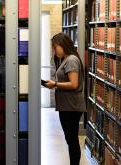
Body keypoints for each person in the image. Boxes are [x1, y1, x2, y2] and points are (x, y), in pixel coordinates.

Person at [45, 32, 86, 165]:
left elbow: (73, 84)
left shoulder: (71, 60)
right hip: (67, 106)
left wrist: (55, 84)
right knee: (70, 140)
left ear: (63, 45)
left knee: (72, 140)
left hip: (71, 106)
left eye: (55, 47)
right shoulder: (66, 59)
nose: (54, 50)